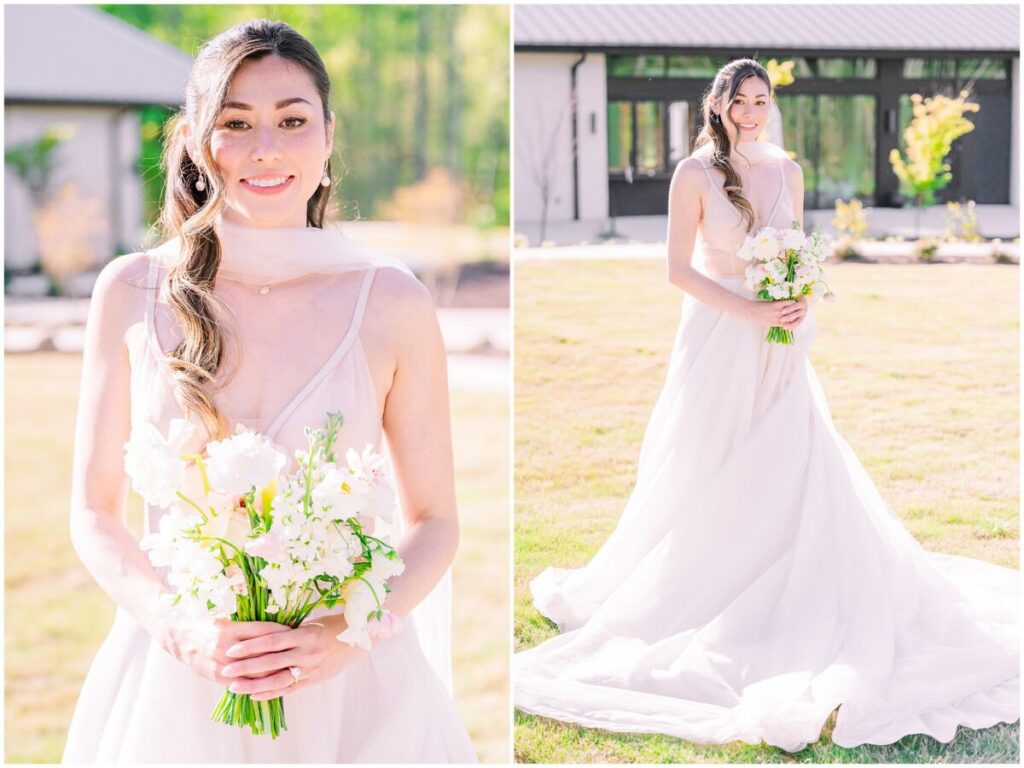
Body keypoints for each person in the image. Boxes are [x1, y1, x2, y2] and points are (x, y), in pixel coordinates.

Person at [514, 58, 1018, 752]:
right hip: (722, 335)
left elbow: (803, 248)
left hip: (781, 338)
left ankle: (797, 572)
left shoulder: (788, 166)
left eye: (761, 100)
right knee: (710, 460)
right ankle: (708, 579)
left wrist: (801, 293)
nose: (751, 112)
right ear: (716, 102)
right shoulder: (693, 173)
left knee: (794, 453)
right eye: (740, 100)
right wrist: (748, 309)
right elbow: (677, 268)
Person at [63, 19, 476, 762]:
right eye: (236, 123)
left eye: (292, 121)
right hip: (177, 680)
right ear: (192, 138)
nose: (267, 149)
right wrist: (177, 626)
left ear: (327, 136)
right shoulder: (130, 291)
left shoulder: (391, 302)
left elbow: (437, 522)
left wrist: (347, 636)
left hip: (352, 687)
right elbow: (94, 511)